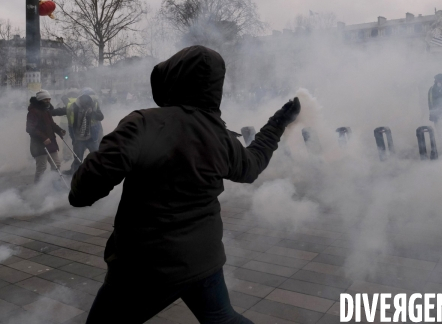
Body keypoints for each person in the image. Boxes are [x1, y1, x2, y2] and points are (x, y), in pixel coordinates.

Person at [69, 45, 301, 324]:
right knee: (222, 318)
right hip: (203, 259)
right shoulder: (220, 136)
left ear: (172, 79)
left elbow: (83, 191)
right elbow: (252, 165)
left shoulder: (142, 124)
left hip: (145, 267)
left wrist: (84, 175)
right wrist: (278, 123)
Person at [54, 94, 105, 174]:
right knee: (78, 159)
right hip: (78, 139)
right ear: (80, 103)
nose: (85, 107)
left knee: (96, 157)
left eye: (87, 106)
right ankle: (74, 175)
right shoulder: (73, 107)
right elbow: (59, 111)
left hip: (92, 138)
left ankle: (98, 174)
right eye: (84, 106)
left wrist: (92, 113)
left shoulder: (93, 107)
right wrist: (47, 111)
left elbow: (101, 117)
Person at [26, 90, 66, 183]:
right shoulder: (33, 112)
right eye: (45, 99)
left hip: (50, 142)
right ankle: (37, 188)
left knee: (57, 164)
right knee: (42, 167)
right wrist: (44, 138)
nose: (48, 101)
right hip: (39, 144)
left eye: (49, 99)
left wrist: (60, 130)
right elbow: (30, 128)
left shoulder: (46, 110)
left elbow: (51, 124)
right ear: (40, 100)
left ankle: (55, 184)